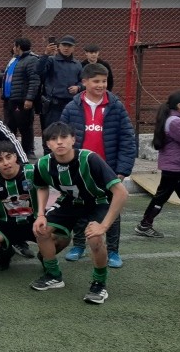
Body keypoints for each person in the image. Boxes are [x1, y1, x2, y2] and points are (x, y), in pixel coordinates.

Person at [30, 122, 128, 305]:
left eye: (64, 137)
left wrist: (104, 225)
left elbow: (121, 192)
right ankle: (53, 275)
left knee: (94, 238)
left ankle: (99, 284)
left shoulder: (90, 159)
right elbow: (41, 186)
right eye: (53, 139)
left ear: (73, 139)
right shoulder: (43, 164)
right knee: (41, 230)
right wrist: (40, 214)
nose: (59, 142)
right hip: (70, 201)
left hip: (98, 201)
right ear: (47, 144)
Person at [59, 63, 136, 268]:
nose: (101, 85)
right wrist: (65, 164)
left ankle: (113, 251)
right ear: (84, 82)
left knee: (112, 209)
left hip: (108, 170)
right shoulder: (72, 107)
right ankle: (78, 245)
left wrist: (122, 170)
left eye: (104, 81)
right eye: (96, 81)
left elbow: (127, 139)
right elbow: (61, 136)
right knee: (81, 207)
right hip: (80, 170)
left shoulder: (116, 106)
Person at [136, 90, 180, 238]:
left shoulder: (176, 119)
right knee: (163, 196)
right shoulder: (175, 122)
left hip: (177, 165)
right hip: (175, 166)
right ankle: (144, 225)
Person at [0, 141, 39, 272]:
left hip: (34, 221)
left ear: (15, 157)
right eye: (0, 159)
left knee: (60, 238)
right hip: (6, 223)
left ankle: (46, 257)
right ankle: (7, 252)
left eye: (8, 157)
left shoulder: (32, 172)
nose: (6, 162)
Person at [0, 37, 40, 160]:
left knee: (25, 127)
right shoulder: (14, 60)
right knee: (9, 127)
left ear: (18, 47)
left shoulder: (31, 60)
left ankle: (28, 151)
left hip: (21, 101)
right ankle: (11, 151)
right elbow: (7, 77)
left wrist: (29, 98)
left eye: (14, 46)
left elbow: (34, 80)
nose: (13, 48)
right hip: (10, 101)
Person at [36, 35, 82, 152]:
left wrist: (78, 87)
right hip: (53, 104)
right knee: (50, 133)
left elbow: (83, 81)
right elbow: (38, 71)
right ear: (59, 47)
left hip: (71, 104)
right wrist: (46, 54)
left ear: (74, 48)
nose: (66, 48)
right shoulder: (51, 60)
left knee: (69, 132)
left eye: (69, 46)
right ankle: (48, 159)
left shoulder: (77, 64)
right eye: (64, 45)